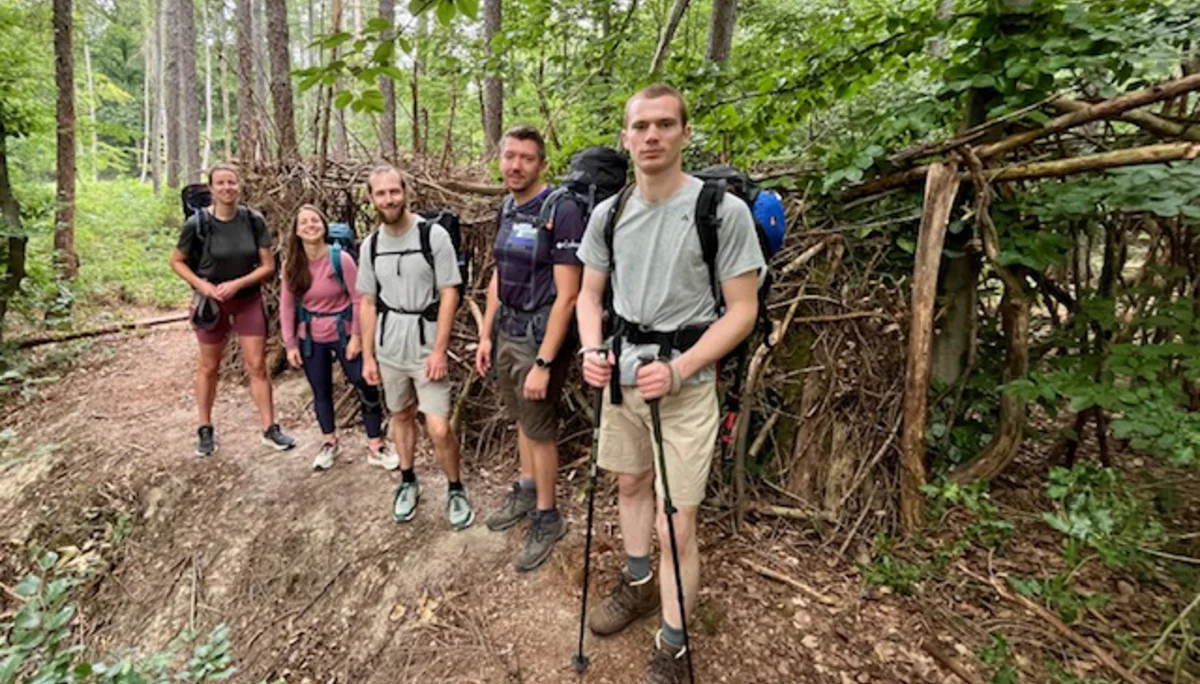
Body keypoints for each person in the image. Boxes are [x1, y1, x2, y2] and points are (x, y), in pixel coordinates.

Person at [575, 84, 763, 683]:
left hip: (686, 385)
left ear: (684, 132)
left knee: (675, 519)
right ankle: (638, 582)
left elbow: (743, 310)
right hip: (623, 379)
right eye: (640, 126)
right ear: (625, 137)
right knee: (630, 482)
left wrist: (680, 368)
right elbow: (589, 295)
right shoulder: (609, 214)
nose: (651, 135)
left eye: (663, 124)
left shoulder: (720, 212)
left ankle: (675, 644)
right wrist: (590, 348)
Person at [475, 126, 585, 571]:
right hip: (508, 329)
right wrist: (486, 333)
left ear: (543, 164)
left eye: (525, 158)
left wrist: (544, 361)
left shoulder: (561, 209)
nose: (515, 165)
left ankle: (548, 515)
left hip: (539, 337)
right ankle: (526, 489)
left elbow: (569, 295)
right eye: (509, 156)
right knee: (521, 417)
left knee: (539, 428)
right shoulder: (508, 206)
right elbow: (499, 273)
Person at [358, 165, 474, 530]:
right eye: (381, 193)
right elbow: (367, 302)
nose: (388, 199)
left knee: (438, 426)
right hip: (389, 344)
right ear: (371, 198)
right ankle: (408, 480)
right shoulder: (371, 245)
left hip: (426, 343)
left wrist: (440, 350)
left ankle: (455, 488)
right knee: (401, 415)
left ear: (406, 192)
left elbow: (449, 292)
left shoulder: (432, 236)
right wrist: (368, 356)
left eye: (394, 191)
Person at [169, 163, 296, 457]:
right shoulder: (196, 224)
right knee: (209, 366)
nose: (227, 188)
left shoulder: (252, 220)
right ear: (211, 188)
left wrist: (238, 283)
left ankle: (270, 428)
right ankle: (204, 427)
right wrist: (203, 286)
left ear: (239, 186)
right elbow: (176, 261)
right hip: (211, 304)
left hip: (247, 300)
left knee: (257, 365)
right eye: (221, 183)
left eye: (232, 182)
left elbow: (267, 266)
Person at [280, 204, 398, 471]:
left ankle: (376, 444)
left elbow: (359, 299)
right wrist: (290, 344)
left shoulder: (341, 259)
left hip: (344, 333)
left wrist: (357, 336)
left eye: (315, 221)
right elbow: (287, 306)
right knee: (320, 389)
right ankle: (329, 442)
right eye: (304, 222)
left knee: (364, 383)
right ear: (296, 231)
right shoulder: (292, 265)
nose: (310, 226)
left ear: (324, 226)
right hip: (311, 336)